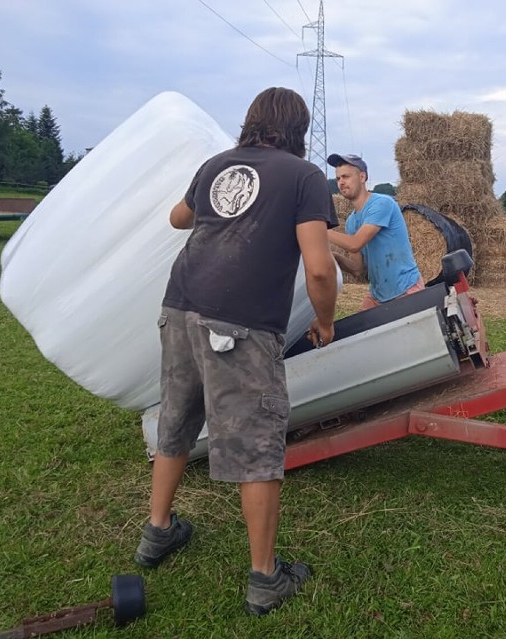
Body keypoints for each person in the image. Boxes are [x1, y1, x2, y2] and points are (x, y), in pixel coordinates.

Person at [133, 87, 339, 616]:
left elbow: (179, 218)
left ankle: (157, 533)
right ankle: (265, 579)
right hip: (242, 325)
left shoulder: (217, 164)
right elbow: (319, 267)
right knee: (255, 443)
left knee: (176, 420)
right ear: (299, 130)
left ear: (250, 123)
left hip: (180, 307)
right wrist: (324, 319)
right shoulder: (304, 177)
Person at [326, 153, 424, 311]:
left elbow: (355, 243)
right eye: (338, 179)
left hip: (406, 289)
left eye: (346, 177)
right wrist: (335, 258)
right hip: (377, 295)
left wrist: (319, 231)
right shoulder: (351, 222)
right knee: (357, 333)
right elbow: (357, 269)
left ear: (362, 177)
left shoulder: (382, 203)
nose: (341, 183)